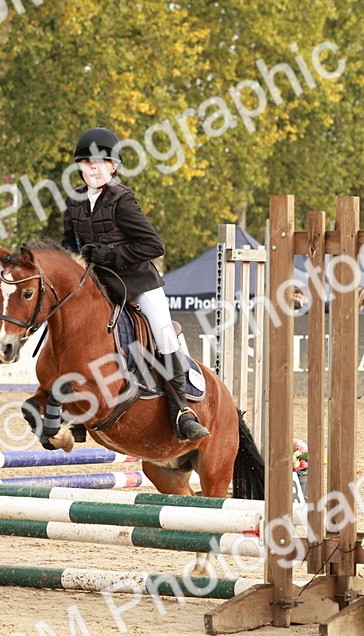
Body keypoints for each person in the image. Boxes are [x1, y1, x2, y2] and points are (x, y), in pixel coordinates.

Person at [61, 126, 209, 442]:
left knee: (163, 334)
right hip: (99, 286)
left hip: (138, 283)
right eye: (87, 163)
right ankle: (76, 408)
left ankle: (181, 411)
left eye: (100, 163)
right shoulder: (74, 200)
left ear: (113, 167)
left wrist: (111, 255)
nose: (93, 168)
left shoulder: (122, 200)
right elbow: (68, 244)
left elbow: (154, 245)